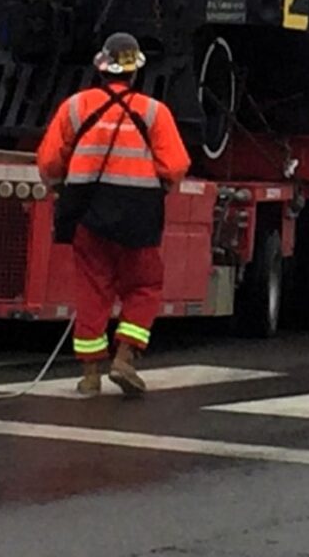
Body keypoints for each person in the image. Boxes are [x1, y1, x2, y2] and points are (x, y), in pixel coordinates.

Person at [36, 33, 189, 397]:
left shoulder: (75, 107)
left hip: (88, 211)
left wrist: (60, 187)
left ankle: (90, 375)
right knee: (144, 286)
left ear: (102, 68)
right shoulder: (154, 112)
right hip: (139, 214)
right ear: (135, 72)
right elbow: (175, 165)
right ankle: (124, 358)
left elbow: (50, 161)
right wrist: (159, 187)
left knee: (92, 289)